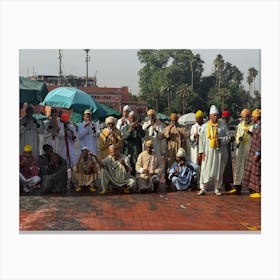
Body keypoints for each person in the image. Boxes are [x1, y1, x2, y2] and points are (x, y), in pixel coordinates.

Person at [197, 105, 231, 196]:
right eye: (214, 115)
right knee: (205, 169)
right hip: (207, 153)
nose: (216, 117)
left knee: (219, 169)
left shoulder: (222, 126)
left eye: (217, 115)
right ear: (210, 116)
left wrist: (220, 140)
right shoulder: (204, 127)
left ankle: (217, 188)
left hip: (219, 152)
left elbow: (228, 137)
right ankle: (203, 188)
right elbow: (201, 140)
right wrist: (201, 152)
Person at [229, 109, 254, 194]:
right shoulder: (240, 126)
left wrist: (250, 132)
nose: (245, 119)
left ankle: (252, 188)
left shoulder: (254, 126)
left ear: (250, 117)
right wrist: (239, 139)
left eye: (246, 117)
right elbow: (237, 136)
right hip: (241, 149)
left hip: (250, 149)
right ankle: (237, 186)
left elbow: (256, 136)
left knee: (250, 168)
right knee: (239, 167)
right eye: (243, 117)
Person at [241, 109, 261, 198]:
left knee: (257, 172)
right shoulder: (256, 126)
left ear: (257, 117)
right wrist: (250, 133)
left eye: (253, 116)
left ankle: (259, 190)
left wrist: (258, 153)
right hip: (252, 150)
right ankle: (254, 189)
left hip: (257, 152)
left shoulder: (261, 127)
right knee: (252, 171)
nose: (252, 118)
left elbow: (261, 141)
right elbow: (256, 136)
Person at [122, 111, 145, 175]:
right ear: (128, 119)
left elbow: (143, 135)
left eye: (134, 119)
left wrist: (138, 128)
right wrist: (130, 129)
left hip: (137, 151)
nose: (132, 120)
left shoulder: (139, 127)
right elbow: (125, 137)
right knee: (128, 166)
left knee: (137, 166)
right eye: (131, 118)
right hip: (128, 150)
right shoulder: (125, 127)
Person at [221, 110, 234, 191]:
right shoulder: (222, 126)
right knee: (224, 166)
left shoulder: (225, 126)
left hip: (227, 148)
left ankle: (227, 184)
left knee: (227, 166)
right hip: (223, 148)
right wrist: (229, 139)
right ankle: (225, 184)